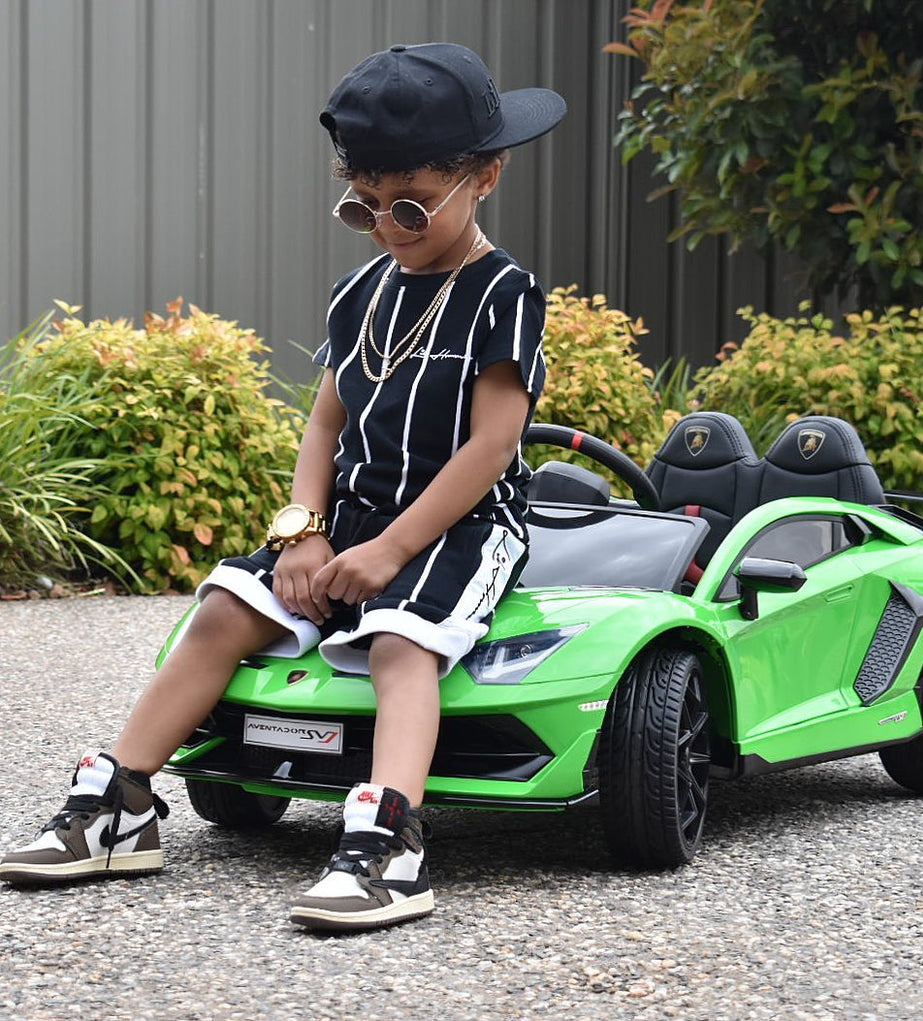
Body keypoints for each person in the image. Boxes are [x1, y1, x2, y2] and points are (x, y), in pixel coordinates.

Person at [0, 42, 565, 932]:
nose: (389, 224)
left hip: (459, 526)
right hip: (347, 517)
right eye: (365, 207)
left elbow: (492, 448)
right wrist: (305, 530)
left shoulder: (504, 292)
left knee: (399, 644)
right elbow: (325, 423)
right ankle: (123, 804)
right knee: (222, 609)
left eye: (412, 202)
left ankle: (389, 845)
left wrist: (389, 549)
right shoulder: (361, 292)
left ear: (484, 175)